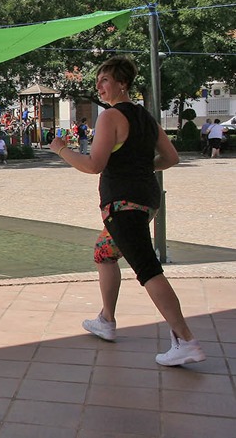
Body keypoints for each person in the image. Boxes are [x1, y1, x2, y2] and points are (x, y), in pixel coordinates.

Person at [49, 55, 205, 366]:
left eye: (105, 80)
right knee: (104, 253)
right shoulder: (146, 118)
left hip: (123, 205)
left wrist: (61, 149)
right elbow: (171, 157)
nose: (100, 86)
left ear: (122, 83)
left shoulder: (110, 117)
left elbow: (94, 165)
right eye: (98, 81)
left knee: (148, 270)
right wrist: (140, 168)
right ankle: (106, 319)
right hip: (145, 201)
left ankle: (185, 340)